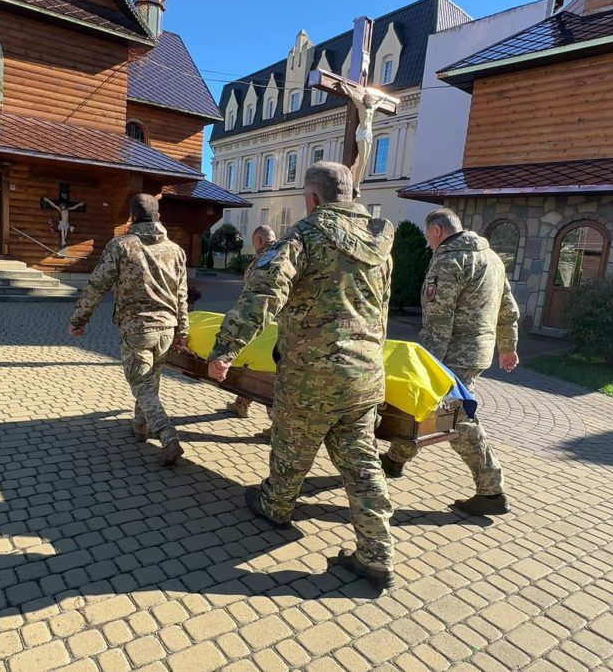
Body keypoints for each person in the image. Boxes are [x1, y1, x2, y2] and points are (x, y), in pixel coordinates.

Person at [207, 162, 397, 590]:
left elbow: (264, 293)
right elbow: (381, 308)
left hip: (313, 373)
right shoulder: (381, 239)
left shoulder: (306, 235)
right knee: (362, 462)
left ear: (312, 199)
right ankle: (376, 554)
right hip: (365, 372)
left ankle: (275, 505)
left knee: (292, 446)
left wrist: (226, 349)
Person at [381, 208, 521, 517]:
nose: (429, 244)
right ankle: (394, 460)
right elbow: (508, 308)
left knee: (457, 421)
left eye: (428, 237)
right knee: (426, 407)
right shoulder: (493, 259)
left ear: (437, 231)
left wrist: (426, 365)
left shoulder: (448, 260)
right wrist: (507, 347)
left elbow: (438, 320)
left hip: (452, 353)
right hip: (477, 352)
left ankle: (491, 490)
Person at [69, 193, 189, 468]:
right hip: (167, 329)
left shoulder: (121, 246)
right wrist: (183, 330)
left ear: (132, 218)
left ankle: (168, 437)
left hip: (138, 330)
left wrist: (79, 319)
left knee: (141, 386)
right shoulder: (177, 250)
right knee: (150, 380)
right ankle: (139, 428)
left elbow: (97, 285)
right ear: (158, 216)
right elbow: (182, 295)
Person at [225, 225, 278, 436]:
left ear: (258, 241)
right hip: (282, 324)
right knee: (254, 366)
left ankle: (277, 426)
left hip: (262, 324)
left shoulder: (259, 262)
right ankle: (242, 403)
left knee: (264, 373)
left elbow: (249, 298)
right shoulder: (286, 254)